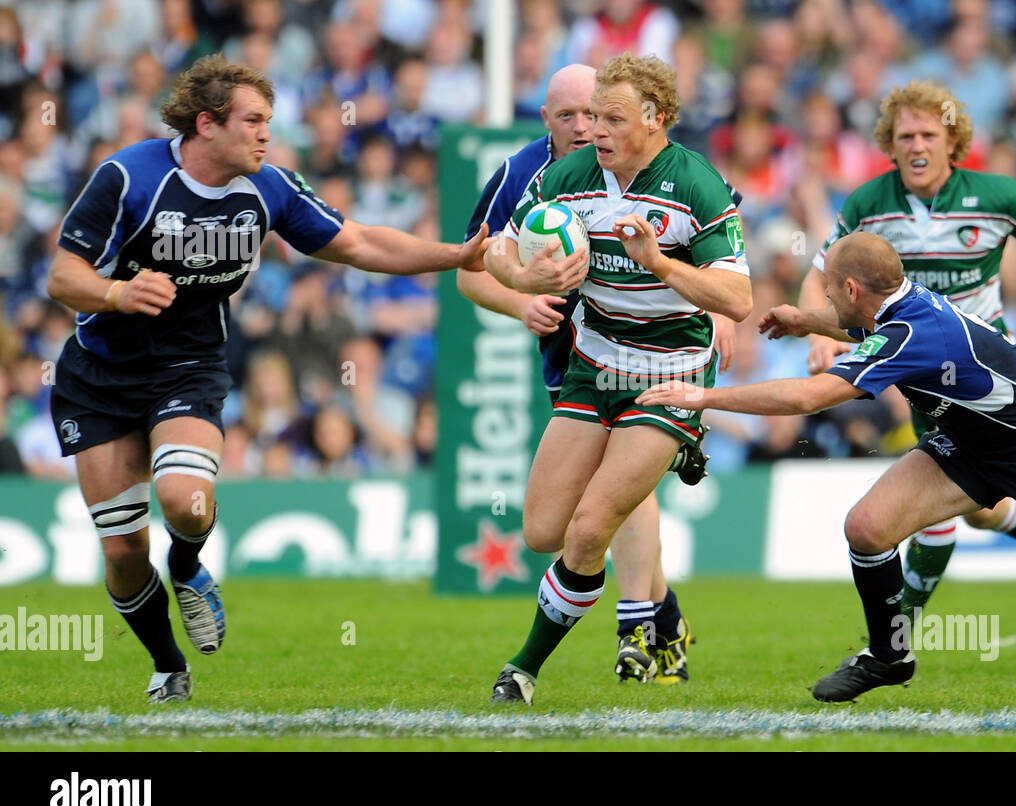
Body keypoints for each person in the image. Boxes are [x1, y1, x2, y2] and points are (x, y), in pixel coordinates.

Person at [46, 55, 489, 703]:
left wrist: (454, 256)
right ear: (207, 124)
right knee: (119, 550)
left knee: (184, 502)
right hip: (98, 376)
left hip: (187, 368)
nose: (265, 134)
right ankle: (169, 665)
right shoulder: (128, 176)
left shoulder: (270, 189)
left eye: (269, 122)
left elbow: (360, 244)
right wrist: (116, 294)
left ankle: (189, 567)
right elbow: (62, 277)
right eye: (253, 121)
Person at [640, 232, 1016, 704]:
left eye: (829, 291)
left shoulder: (914, 331)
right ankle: (890, 656)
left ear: (850, 286)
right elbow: (862, 326)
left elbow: (804, 399)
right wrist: (809, 322)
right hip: (971, 445)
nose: (831, 299)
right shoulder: (899, 304)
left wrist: (701, 399)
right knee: (867, 527)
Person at [483, 53, 751, 704]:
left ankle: (522, 670)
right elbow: (496, 251)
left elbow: (738, 299)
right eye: (590, 117)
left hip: (671, 374)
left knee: (588, 529)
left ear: (655, 120)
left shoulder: (697, 184)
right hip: (594, 365)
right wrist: (526, 279)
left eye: (611, 118)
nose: (595, 131)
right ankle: (661, 620)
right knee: (543, 531)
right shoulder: (565, 177)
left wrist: (658, 262)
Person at [797, 80, 1016, 615]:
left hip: (994, 371)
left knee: (965, 501)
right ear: (890, 145)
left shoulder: (1001, 196)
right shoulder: (869, 204)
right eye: (904, 136)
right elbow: (819, 273)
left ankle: (899, 631)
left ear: (952, 140)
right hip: (925, 378)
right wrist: (815, 335)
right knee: (976, 510)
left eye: (927, 134)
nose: (916, 145)